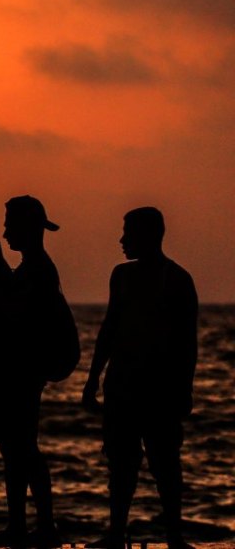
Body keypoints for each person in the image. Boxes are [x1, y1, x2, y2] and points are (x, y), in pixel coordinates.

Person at [82, 207, 198, 549]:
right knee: (120, 464)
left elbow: (186, 341)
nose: (121, 240)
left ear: (148, 235)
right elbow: (108, 329)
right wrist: (92, 379)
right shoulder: (120, 276)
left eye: (128, 233)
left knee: (165, 465)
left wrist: (184, 389)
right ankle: (116, 534)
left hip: (160, 391)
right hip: (121, 387)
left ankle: (175, 537)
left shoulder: (176, 279)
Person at [0, 196, 67, 548]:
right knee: (16, 449)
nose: (6, 231)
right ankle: (23, 527)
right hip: (14, 370)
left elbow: (14, 308)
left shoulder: (38, 270)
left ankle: (37, 527)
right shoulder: (30, 269)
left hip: (20, 373)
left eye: (10, 224)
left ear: (28, 227)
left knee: (22, 449)